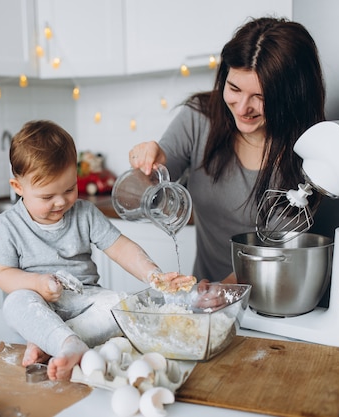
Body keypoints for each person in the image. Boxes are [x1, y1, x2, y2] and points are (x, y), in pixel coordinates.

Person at [0, 120, 195, 381]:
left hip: (86, 300)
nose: (61, 202)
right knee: (14, 303)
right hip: (37, 300)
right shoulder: (8, 225)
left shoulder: (84, 213)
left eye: (70, 189)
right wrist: (36, 283)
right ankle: (61, 340)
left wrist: (153, 275)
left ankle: (53, 341)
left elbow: (121, 248)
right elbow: (2, 273)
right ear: (18, 188)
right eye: (47, 197)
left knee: (121, 305)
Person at [129, 16, 326, 283]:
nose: (243, 107)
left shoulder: (310, 153)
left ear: (293, 96)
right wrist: (150, 164)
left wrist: (221, 291)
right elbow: (148, 190)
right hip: (209, 292)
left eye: (261, 97)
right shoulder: (198, 118)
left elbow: (273, 252)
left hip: (275, 296)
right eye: (234, 88)